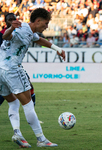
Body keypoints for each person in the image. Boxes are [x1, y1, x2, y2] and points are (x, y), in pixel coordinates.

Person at [0, 8, 65, 148]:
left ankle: (17, 133)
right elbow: (5, 36)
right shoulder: (21, 29)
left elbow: (40, 40)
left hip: (0, 69)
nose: (47, 26)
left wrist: (58, 49)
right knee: (28, 103)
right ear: (38, 21)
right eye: (46, 23)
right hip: (11, 69)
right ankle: (41, 139)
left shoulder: (29, 31)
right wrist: (11, 28)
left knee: (13, 102)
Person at [0, 13, 37, 109]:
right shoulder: (2, 34)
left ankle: (32, 111)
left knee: (28, 85)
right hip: (4, 67)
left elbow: (37, 38)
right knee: (4, 95)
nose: (12, 21)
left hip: (14, 67)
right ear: (5, 22)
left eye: (14, 19)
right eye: (10, 20)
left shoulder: (20, 31)